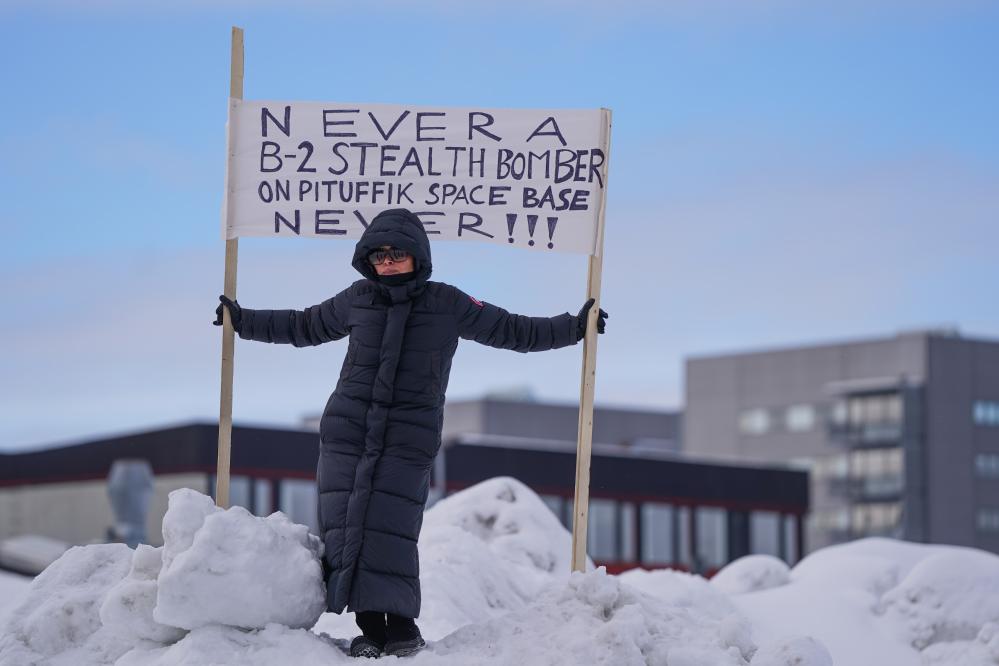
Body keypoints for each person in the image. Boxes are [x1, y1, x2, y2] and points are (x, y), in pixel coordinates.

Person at [213, 208, 607, 658]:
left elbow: (512, 329)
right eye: (378, 256)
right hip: (347, 432)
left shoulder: (447, 303)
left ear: (418, 256)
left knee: (393, 527)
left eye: (396, 254)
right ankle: (368, 628)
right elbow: (304, 325)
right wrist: (242, 320)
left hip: (407, 436)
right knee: (346, 527)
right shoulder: (358, 298)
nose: (387, 263)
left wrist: (574, 328)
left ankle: (401, 626)